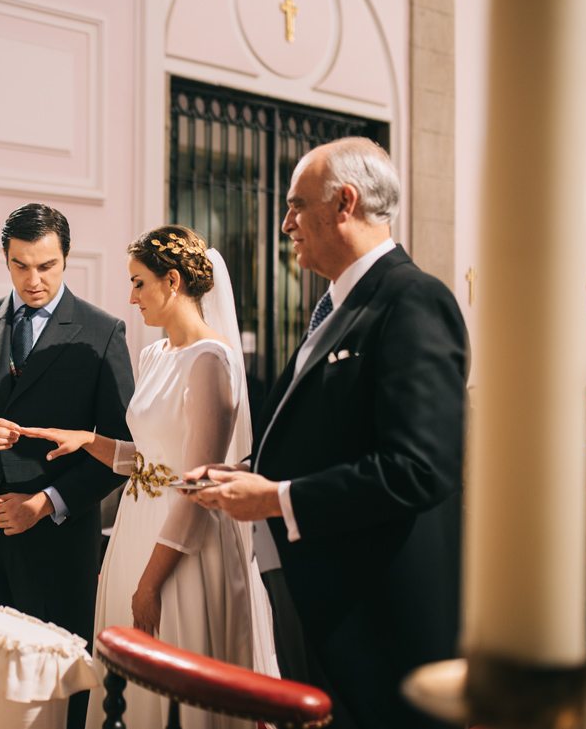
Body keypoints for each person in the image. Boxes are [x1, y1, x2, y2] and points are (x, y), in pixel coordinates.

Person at [187, 137, 469, 729]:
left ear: (344, 203)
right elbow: (335, 434)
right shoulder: (339, 305)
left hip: (374, 615)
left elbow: (418, 469)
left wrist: (274, 498)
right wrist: (246, 473)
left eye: (295, 205)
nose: (286, 223)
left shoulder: (412, 300)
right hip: (318, 594)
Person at [22, 225, 279, 729]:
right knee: (129, 680)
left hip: (184, 544)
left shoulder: (211, 360)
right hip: (137, 528)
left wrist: (151, 581)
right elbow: (149, 459)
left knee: (175, 666)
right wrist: (87, 439)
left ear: (174, 282)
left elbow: (197, 484)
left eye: (139, 283)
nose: (132, 297)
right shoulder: (153, 355)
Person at [0, 203, 135, 729]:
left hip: (59, 551)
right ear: (5, 258)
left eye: (47, 266)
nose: (34, 280)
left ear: (66, 260)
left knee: (57, 696)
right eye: (21, 265)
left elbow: (123, 449)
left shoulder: (103, 332)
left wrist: (47, 503)